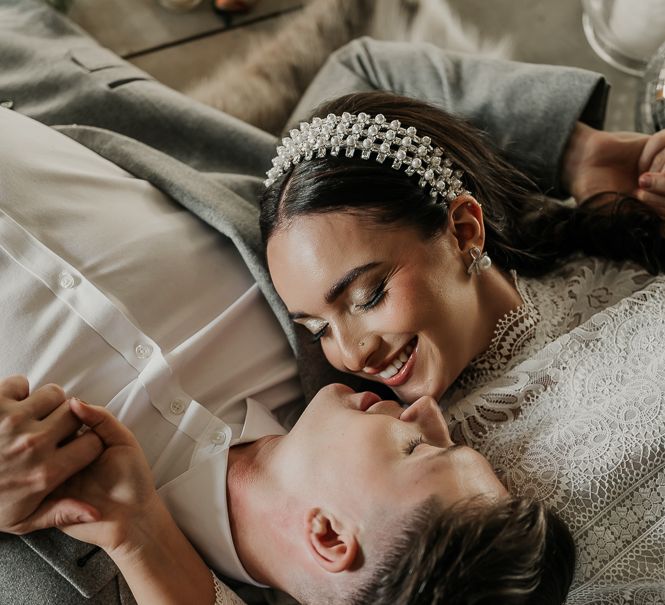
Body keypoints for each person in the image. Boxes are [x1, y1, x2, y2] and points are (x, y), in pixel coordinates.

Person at [0, 0, 653, 603]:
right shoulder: (338, 323)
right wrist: (579, 151)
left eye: (421, 448)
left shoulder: (125, 557)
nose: (430, 413)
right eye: (318, 319)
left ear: (331, 537)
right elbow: (353, 102)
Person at [260, 91, 665, 602]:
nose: (352, 354)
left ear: (463, 229)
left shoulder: (608, 234)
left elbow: (359, 61)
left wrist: (582, 151)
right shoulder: (419, 489)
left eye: (369, 296)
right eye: (318, 329)